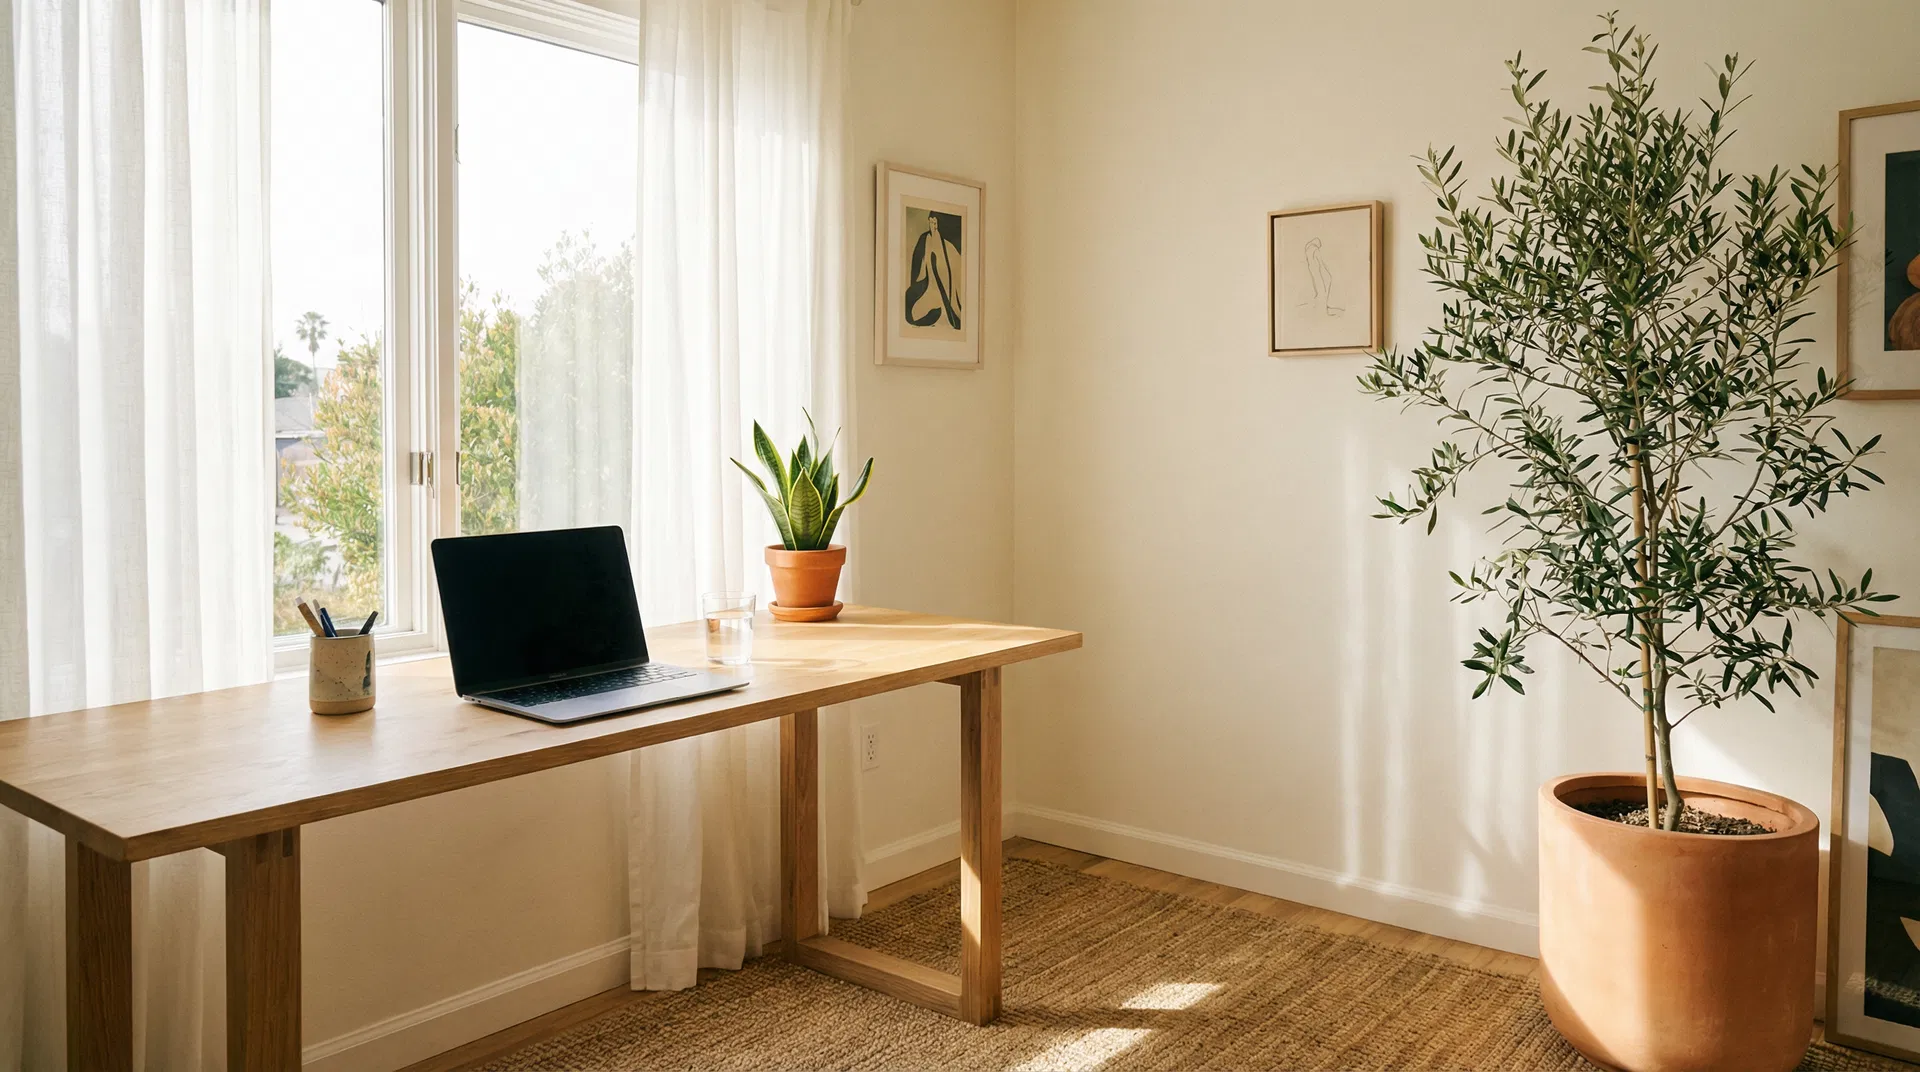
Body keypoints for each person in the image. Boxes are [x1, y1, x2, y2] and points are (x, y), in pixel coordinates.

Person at [905, 212, 962, 330]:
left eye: (935, 222)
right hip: (928, 288)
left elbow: (952, 275)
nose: (933, 226)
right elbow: (917, 268)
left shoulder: (948, 246)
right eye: (931, 222)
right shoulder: (924, 239)